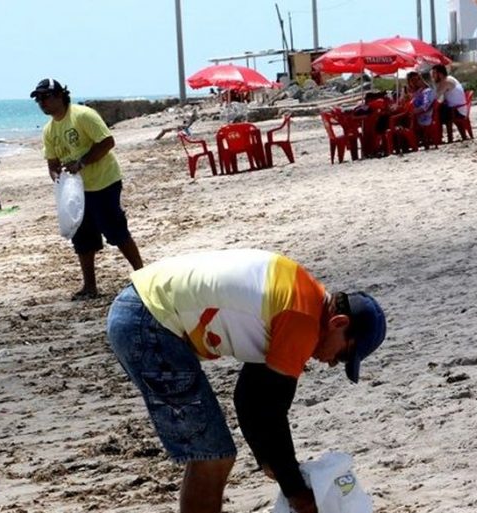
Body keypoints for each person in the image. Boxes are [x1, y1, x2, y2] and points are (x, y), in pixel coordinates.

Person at [106, 249, 387, 513]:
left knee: (212, 455)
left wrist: (270, 462)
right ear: (338, 323)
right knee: (212, 457)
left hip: (140, 310)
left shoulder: (302, 297)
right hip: (148, 321)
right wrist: (297, 493)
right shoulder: (302, 319)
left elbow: (249, 398)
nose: (332, 363)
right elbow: (270, 411)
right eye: (343, 355)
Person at [31, 78, 143, 300]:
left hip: (103, 181)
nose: (42, 102)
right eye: (38, 99)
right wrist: (59, 179)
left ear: (60, 96)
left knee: (115, 230)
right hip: (77, 191)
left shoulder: (82, 115)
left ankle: (143, 275)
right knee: (82, 237)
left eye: (46, 97)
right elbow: (52, 164)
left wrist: (81, 162)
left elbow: (107, 142)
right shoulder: (49, 130)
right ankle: (90, 286)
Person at [430, 64, 468, 142]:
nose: (432, 76)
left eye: (434, 73)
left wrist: (434, 83)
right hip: (459, 109)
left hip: (457, 111)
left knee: (435, 112)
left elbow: (436, 96)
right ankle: (438, 137)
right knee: (438, 109)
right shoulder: (449, 78)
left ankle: (437, 137)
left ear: (440, 74)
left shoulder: (446, 81)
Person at [406, 71, 436, 145]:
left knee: (398, 121)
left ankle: (408, 142)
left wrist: (412, 111)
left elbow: (425, 107)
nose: (416, 81)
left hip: (422, 116)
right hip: (416, 115)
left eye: (418, 79)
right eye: (413, 80)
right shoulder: (420, 90)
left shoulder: (427, 91)